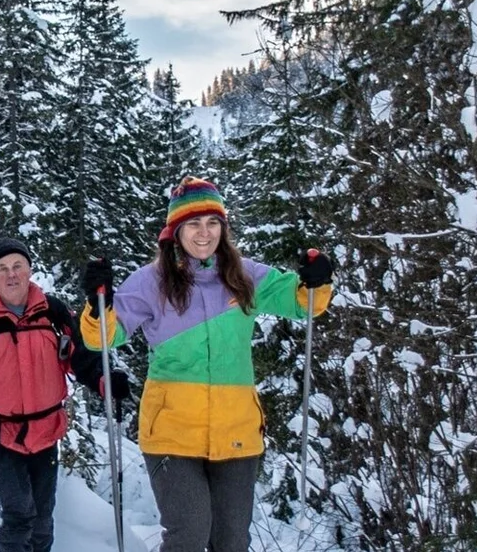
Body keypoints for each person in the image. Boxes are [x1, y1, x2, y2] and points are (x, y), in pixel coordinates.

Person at [79, 176, 336, 552]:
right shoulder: (151, 282)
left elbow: (302, 303)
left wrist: (316, 280)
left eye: (213, 222)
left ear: (224, 227)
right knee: (189, 533)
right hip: (172, 431)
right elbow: (103, 337)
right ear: (175, 231)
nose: (204, 233)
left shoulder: (245, 276)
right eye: (194, 224)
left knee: (231, 542)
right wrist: (96, 300)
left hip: (236, 431)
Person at [0, 237, 131, 552]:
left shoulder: (53, 312)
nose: (11, 274)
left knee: (42, 518)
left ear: (29, 271)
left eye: (17, 266)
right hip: (2, 434)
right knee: (18, 515)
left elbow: (81, 357)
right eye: (2, 269)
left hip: (46, 430)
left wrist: (104, 380)